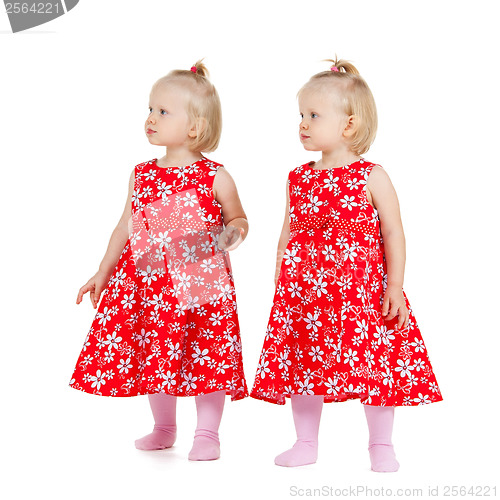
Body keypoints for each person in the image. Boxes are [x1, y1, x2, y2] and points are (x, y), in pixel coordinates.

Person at [250, 57, 442, 471]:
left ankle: (381, 445)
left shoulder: (371, 176)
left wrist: (394, 287)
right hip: (306, 296)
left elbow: (393, 234)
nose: (302, 123)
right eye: (301, 115)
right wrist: (281, 281)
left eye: (313, 115)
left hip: (361, 295)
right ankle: (305, 442)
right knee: (303, 364)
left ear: (349, 125)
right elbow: (288, 233)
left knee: (376, 367)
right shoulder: (298, 178)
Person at [70, 60, 249, 461]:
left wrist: (232, 233)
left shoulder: (214, 175)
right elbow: (126, 227)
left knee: (207, 353)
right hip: (150, 282)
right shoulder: (142, 174)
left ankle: (207, 434)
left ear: (194, 127)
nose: (150, 118)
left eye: (162, 112)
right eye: (149, 109)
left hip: (199, 278)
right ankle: (164, 428)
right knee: (157, 351)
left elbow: (238, 217)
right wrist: (103, 270)